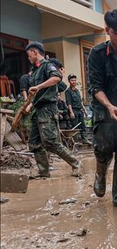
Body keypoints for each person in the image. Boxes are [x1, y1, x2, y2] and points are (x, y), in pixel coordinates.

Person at [87, 9, 117, 206]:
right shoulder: (97, 54)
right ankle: (100, 174)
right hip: (103, 106)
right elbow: (95, 86)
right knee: (104, 148)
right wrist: (108, 105)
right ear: (108, 31)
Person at [23, 41, 82, 178]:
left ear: (34, 52)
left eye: (28, 55)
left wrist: (38, 87)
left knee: (50, 142)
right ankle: (43, 171)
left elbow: (56, 78)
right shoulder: (36, 71)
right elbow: (38, 93)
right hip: (38, 109)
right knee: (34, 142)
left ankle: (76, 163)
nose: (28, 58)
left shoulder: (47, 65)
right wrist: (30, 105)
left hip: (48, 109)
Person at [65, 74, 91, 144]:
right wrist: (71, 112)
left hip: (80, 111)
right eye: (72, 80)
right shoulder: (68, 91)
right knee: (75, 126)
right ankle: (76, 141)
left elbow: (80, 101)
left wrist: (85, 110)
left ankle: (84, 139)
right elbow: (69, 103)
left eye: (75, 80)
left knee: (83, 125)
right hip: (73, 110)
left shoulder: (77, 91)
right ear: (69, 81)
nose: (74, 82)